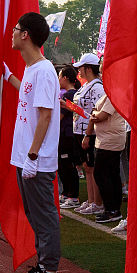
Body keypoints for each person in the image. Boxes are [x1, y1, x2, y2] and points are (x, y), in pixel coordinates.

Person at [6, 13, 63, 273]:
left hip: (36, 159)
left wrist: (32, 154)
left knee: (44, 215)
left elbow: (44, 116)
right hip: (25, 157)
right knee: (33, 213)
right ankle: (43, 266)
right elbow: (27, 98)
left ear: (25, 35)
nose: (12, 34)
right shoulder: (31, 70)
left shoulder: (44, 70)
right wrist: (9, 77)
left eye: (16, 30)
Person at [89, 70, 127, 225]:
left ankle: (112, 209)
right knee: (110, 174)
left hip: (111, 140)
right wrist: (95, 114)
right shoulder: (109, 94)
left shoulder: (114, 95)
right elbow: (96, 113)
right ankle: (112, 209)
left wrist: (95, 114)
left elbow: (100, 116)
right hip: (106, 139)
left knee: (102, 173)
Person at [72, 54, 105, 215]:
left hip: (89, 132)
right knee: (87, 167)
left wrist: (88, 132)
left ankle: (96, 202)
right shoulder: (86, 86)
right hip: (80, 130)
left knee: (91, 167)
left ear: (88, 68)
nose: (79, 70)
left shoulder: (97, 87)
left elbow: (96, 110)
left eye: (81, 67)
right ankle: (91, 200)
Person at [57, 65, 82, 207]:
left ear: (65, 78)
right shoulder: (73, 93)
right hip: (69, 133)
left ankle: (72, 196)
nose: (58, 79)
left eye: (60, 76)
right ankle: (67, 194)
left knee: (67, 165)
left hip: (67, 134)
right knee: (65, 164)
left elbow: (60, 116)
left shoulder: (68, 95)